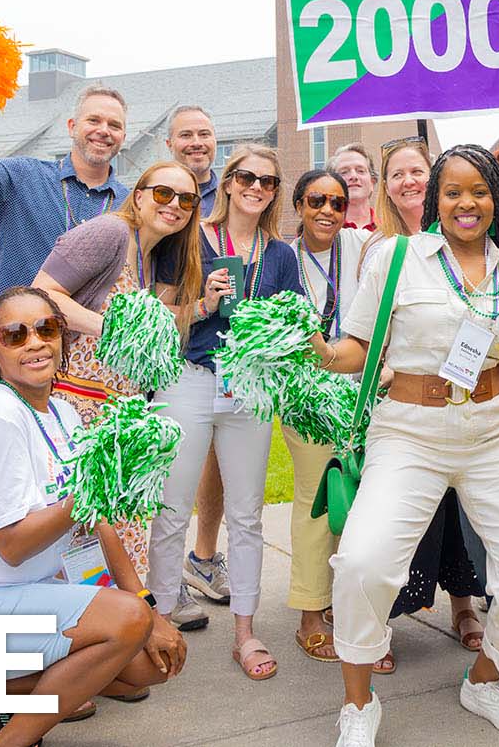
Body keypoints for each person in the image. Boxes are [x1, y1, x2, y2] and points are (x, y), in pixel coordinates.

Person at [311, 145, 499, 746]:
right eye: (451, 191)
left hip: (496, 430)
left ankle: (485, 682)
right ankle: (358, 703)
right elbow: (355, 348)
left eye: (478, 190)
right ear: (434, 200)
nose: (465, 203)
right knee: (366, 563)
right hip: (408, 431)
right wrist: (318, 351)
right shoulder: (396, 257)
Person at [0, 287, 186, 746]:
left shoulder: (64, 415)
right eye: (14, 334)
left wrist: (150, 608)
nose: (34, 342)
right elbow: (12, 546)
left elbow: (96, 524)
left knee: (148, 666)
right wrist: (89, 494)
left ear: (62, 338)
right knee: (124, 625)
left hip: (15, 599)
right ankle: (8, 741)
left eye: (46, 329)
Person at [147, 144, 303, 681]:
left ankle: (245, 630)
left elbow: (296, 327)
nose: (257, 187)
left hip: (249, 387)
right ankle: (160, 623)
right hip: (188, 377)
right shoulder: (190, 236)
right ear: (229, 183)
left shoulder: (281, 255)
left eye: (269, 182)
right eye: (247, 178)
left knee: (247, 513)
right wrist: (203, 304)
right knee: (171, 508)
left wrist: (274, 334)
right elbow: (158, 312)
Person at [32, 160, 206, 623]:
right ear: (140, 192)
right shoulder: (110, 233)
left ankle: (112, 640)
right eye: (164, 193)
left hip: (120, 420)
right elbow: (42, 293)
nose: (175, 206)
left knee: (120, 535)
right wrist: (111, 328)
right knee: (78, 537)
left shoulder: (152, 256)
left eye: (187, 200)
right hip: (75, 409)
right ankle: (71, 648)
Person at [368, 136, 488, 670]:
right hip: (408, 402)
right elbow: (366, 331)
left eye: (418, 171)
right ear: (385, 188)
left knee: (460, 510)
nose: (409, 181)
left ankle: (464, 604)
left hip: (469, 402)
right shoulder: (382, 250)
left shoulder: (474, 241)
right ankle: (380, 624)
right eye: (397, 174)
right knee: (403, 520)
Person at [0, 80, 131, 297]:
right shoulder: (23, 176)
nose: (103, 130)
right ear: (72, 126)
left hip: (92, 329)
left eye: (114, 125)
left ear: (123, 137)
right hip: (15, 328)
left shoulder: (131, 206)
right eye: (93, 120)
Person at [285, 169, 372, 662]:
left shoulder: (361, 249)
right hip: (307, 394)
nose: (327, 210)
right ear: (299, 204)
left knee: (359, 500)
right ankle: (310, 610)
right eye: (316, 199)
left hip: (361, 388)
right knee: (316, 498)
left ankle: (346, 598)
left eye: (337, 203)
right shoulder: (281, 257)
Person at [163, 104, 230, 612]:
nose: (196, 142)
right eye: (186, 135)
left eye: (204, 134)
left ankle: (203, 558)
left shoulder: (229, 195)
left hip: (219, 357)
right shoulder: (160, 193)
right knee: (164, 470)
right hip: (165, 352)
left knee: (215, 466)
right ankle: (162, 584)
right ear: (170, 144)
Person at [329, 143, 378, 231]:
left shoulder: (391, 229)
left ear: (372, 183)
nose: (353, 176)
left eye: (360, 171)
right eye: (344, 172)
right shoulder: (323, 230)